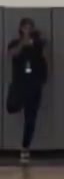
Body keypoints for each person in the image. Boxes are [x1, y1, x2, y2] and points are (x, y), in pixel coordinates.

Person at [6, 18, 48, 161]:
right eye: (25, 27)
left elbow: (44, 48)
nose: (28, 30)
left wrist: (34, 41)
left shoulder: (37, 43)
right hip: (19, 84)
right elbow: (12, 53)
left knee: (30, 118)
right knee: (11, 107)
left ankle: (25, 147)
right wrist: (23, 44)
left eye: (30, 27)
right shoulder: (15, 43)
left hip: (34, 85)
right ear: (21, 29)